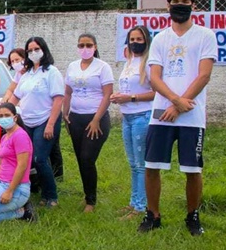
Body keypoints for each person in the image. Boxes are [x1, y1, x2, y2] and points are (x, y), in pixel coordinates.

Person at [138, 0, 216, 236]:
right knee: (152, 166)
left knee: (192, 170)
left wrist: (181, 105)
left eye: (185, 2)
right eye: (175, 2)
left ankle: (192, 216)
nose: (179, 6)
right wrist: (174, 101)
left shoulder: (206, 35)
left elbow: (204, 75)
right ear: (168, 5)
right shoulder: (161, 38)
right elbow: (155, 78)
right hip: (162, 113)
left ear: (193, 5)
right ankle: (153, 215)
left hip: (192, 114)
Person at [63, 33, 114, 213]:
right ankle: (87, 195)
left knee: (87, 158)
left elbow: (108, 94)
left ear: (95, 47)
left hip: (96, 119)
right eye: (81, 45)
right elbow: (68, 92)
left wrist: (96, 120)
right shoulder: (72, 66)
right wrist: (65, 112)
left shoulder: (103, 67)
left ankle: (91, 201)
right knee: (80, 159)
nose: (85, 48)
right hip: (75, 118)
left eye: (89, 45)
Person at [9, 37, 63, 208]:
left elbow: (58, 99)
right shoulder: (27, 74)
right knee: (29, 158)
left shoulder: (51, 72)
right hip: (28, 122)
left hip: (46, 120)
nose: (33, 53)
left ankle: (51, 196)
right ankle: (37, 191)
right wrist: (6, 112)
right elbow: (16, 96)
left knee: (40, 158)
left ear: (44, 50)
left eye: (36, 49)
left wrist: (50, 124)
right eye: (30, 50)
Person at [110, 26, 155, 220]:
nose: (135, 42)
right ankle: (134, 202)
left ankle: (141, 206)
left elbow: (156, 91)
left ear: (146, 41)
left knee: (141, 164)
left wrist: (131, 98)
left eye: (139, 38)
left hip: (142, 116)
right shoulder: (129, 62)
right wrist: (118, 96)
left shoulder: (149, 64)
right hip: (127, 117)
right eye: (132, 39)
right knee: (133, 163)